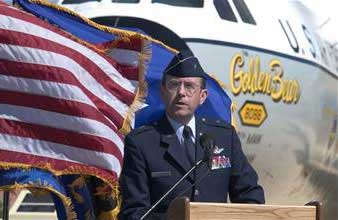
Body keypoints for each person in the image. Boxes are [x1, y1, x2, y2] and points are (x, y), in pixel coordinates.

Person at [118, 51, 265, 220]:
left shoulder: (224, 136)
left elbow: (250, 195)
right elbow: (133, 213)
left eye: (189, 87)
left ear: (202, 96)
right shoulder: (141, 142)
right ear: (163, 91)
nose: (181, 92)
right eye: (174, 85)